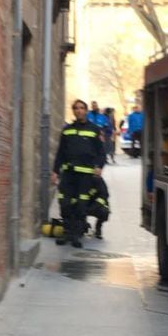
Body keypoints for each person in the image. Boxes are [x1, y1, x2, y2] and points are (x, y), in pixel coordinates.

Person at [52, 99, 106, 248]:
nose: (79, 111)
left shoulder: (94, 130)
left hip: (85, 175)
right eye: (76, 108)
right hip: (69, 173)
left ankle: (76, 234)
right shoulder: (67, 130)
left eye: (82, 108)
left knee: (81, 204)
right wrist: (55, 171)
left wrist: (99, 167)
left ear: (86, 111)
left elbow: (101, 153)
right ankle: (67, 231)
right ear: (74, 111)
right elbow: (60, 152)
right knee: (65, 202)